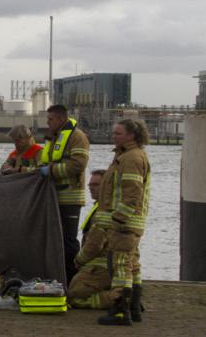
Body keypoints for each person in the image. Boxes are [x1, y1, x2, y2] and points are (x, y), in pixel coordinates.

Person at [96, 119, 151, 326]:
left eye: (118, 133)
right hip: (132, 223)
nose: (114, 136)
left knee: (119, 266)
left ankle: (120, 310)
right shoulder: (127, 156)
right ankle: (134, 308)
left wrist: (119, 218)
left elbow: (132, 192)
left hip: (124, 224)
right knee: (132, 265)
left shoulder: (131, 158)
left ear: (131, 136)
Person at [35, 104, 89, 285]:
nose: (47, 123)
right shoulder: (53, 137)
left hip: (71, 196)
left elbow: (77, 165)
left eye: (50, 119)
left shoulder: (77, 137)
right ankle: (57, 276)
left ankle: (72, 279)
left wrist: (50, 171)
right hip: (53, 196)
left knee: (68, 240)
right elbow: (44, 163)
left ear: (60, 119)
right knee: (53, 238)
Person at [69, 169, 114, 310]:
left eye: (95, 184)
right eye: (89, 184)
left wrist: (78, 260)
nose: (90, 187)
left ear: (107, 186)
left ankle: (114, 298)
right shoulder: (100, 206)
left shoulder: (104, 210)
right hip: (101, 264)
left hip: (101, 266)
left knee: (73, 296)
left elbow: (95, 244)